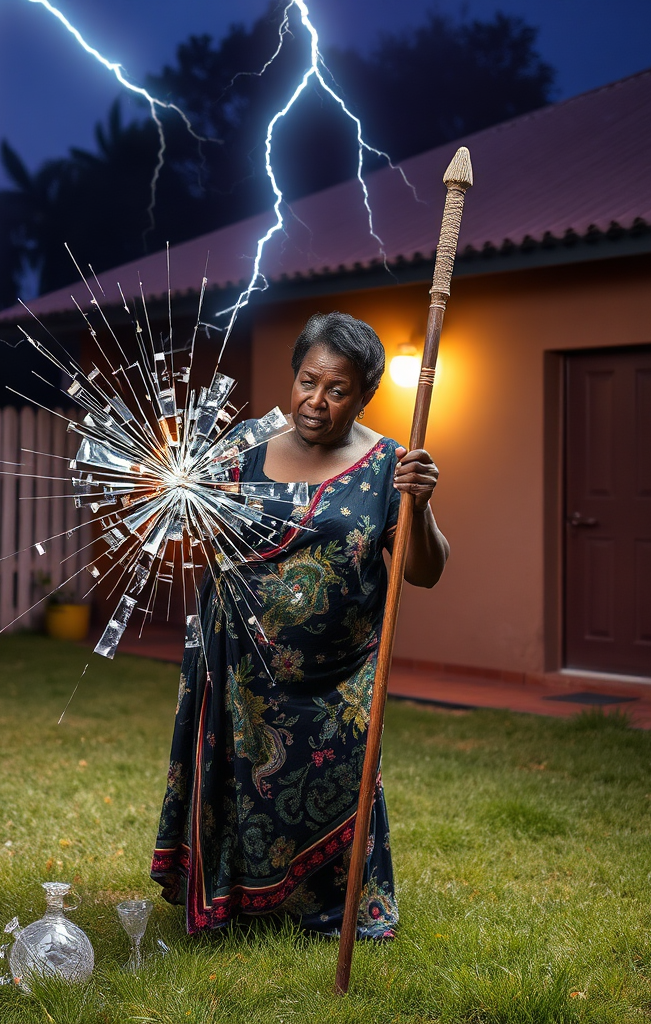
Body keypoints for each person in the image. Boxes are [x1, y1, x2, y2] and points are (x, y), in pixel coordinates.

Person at [151, 311, 448, 938]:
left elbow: (424, 573)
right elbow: (204, 535)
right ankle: (234, 902)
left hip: (339, 679)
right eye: (308, 382)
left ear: (364, 395)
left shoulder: (390, 466)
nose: (317, 401)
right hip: (240, 666)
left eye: (338, 389)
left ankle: (333, 909)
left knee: (339, 781)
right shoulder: (241, 455)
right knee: (238, 779)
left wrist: (417, 506)